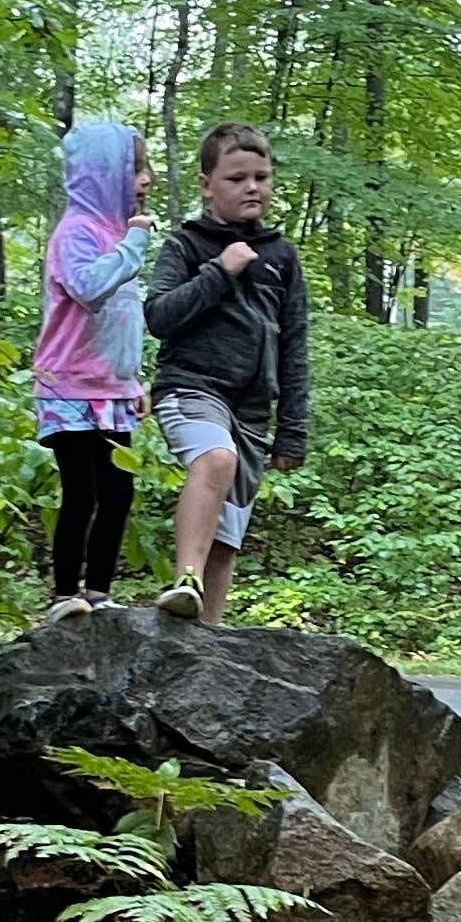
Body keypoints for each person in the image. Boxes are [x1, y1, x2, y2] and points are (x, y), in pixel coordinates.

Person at [143, 120, 309, 624]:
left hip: (252, 411)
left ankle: (206, 645)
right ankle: (183, 577)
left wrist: (293, 430)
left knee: (226, 540)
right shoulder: (188, 245)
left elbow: (295, 345)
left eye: (262, 176)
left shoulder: (282, 255)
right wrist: (220, 270)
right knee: (216, 460)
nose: (253, 187)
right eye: (237, 178)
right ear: (206, 183)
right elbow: (158, 316)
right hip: (190, 387)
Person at [31, 118, 154, 614]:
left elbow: (121, 322)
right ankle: (65, 594)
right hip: (67, 388)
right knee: (80, 493)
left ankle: (100, 593)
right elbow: (88, 288)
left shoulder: (117, 232)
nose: (146, 180)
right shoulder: (76, 232)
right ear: (105, 174)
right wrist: (134, 245)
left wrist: (132, 377)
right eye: (136, 169)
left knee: (118, 493)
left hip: (112, 390)